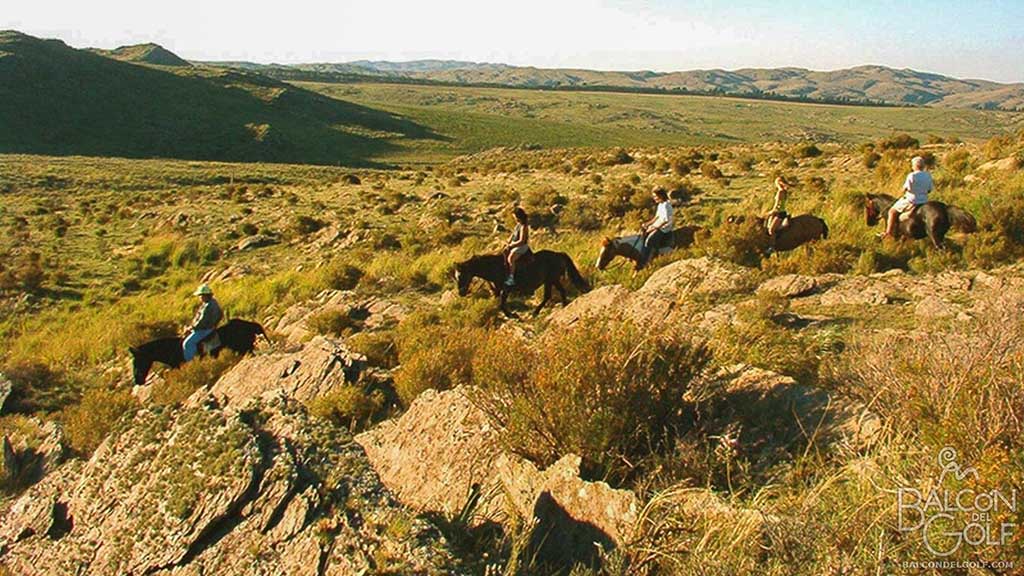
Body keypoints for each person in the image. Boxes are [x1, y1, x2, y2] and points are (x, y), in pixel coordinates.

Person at [881, 156, 933, 239]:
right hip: (924, 200)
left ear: (914, 166)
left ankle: (888, 232)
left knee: (892, 211)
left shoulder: (911, 176)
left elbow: (906, 188)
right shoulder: (928, 175)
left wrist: (902, 191)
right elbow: (929, 190)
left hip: (911, 200)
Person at [182, 283, 223, 362]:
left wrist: (190, 328)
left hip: (205, 330)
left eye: (201, 296)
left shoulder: (208, 306)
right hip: (209, 327)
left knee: (187, 344)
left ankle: (190, 362)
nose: (200, 298)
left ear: (205, 295)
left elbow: (201, 322)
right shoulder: (212, 302)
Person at [639, 188, 673, 268]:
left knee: (649, 241)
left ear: (660, 196)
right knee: (642, 235)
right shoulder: (660, 205)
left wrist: (654, 228)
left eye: (655, 196)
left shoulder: (666, 205)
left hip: (664, 227)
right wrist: (647, 224)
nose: (654, 198)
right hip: (657, 225)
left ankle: (647, 261)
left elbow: (666, 220)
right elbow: (657, 217)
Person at [505, 207, 530, 286]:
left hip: (521, 246)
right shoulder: (518, 225)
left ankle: (511, 278)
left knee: (511, 258)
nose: (514, 219)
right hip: (515, 244)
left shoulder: (523, 227)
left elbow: (522, 241)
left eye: (515, 217)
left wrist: (511, 245)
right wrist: (508, 242)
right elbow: (513, 235)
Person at [765, 176, 790, 253]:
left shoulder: (780, 192)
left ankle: (772, 247)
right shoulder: (784, 191)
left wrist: (769, 212)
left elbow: (777, 206)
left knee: (771, 230)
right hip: (781, 212)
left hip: (779, 214)